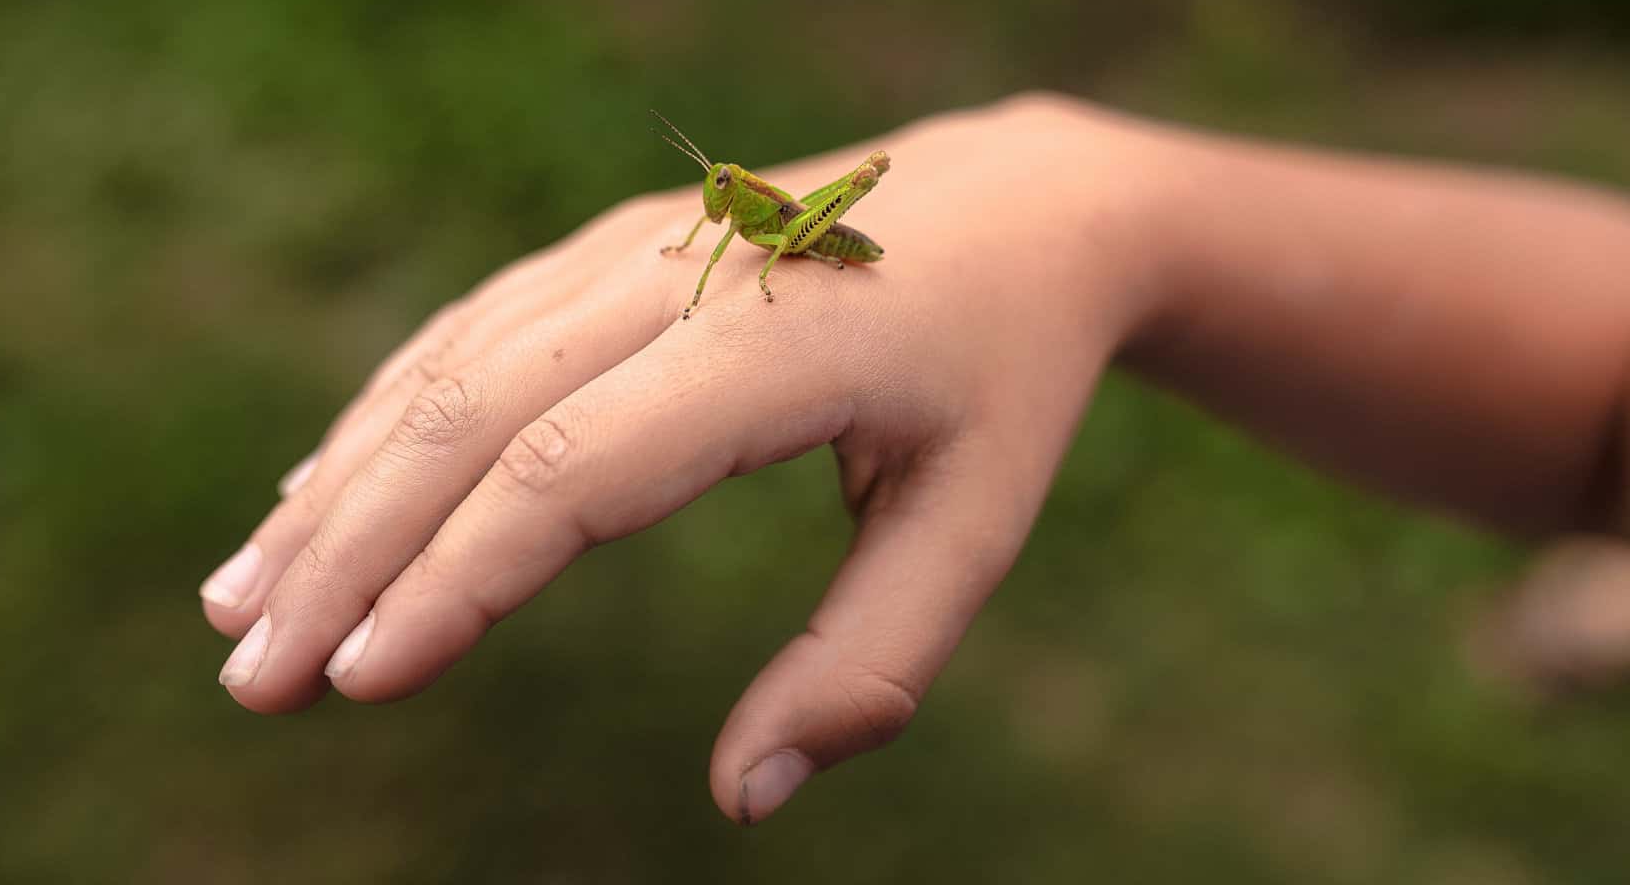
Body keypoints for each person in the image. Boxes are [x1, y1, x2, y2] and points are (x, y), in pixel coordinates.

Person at [197, 94, 1630, 825]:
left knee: (769, 263)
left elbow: (753, 252)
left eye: (721, 191)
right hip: (822, 240)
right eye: (719, 193)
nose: (716, 200)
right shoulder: (729, 216)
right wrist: (1102, 194)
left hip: (837, 241)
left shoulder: (768, 229)